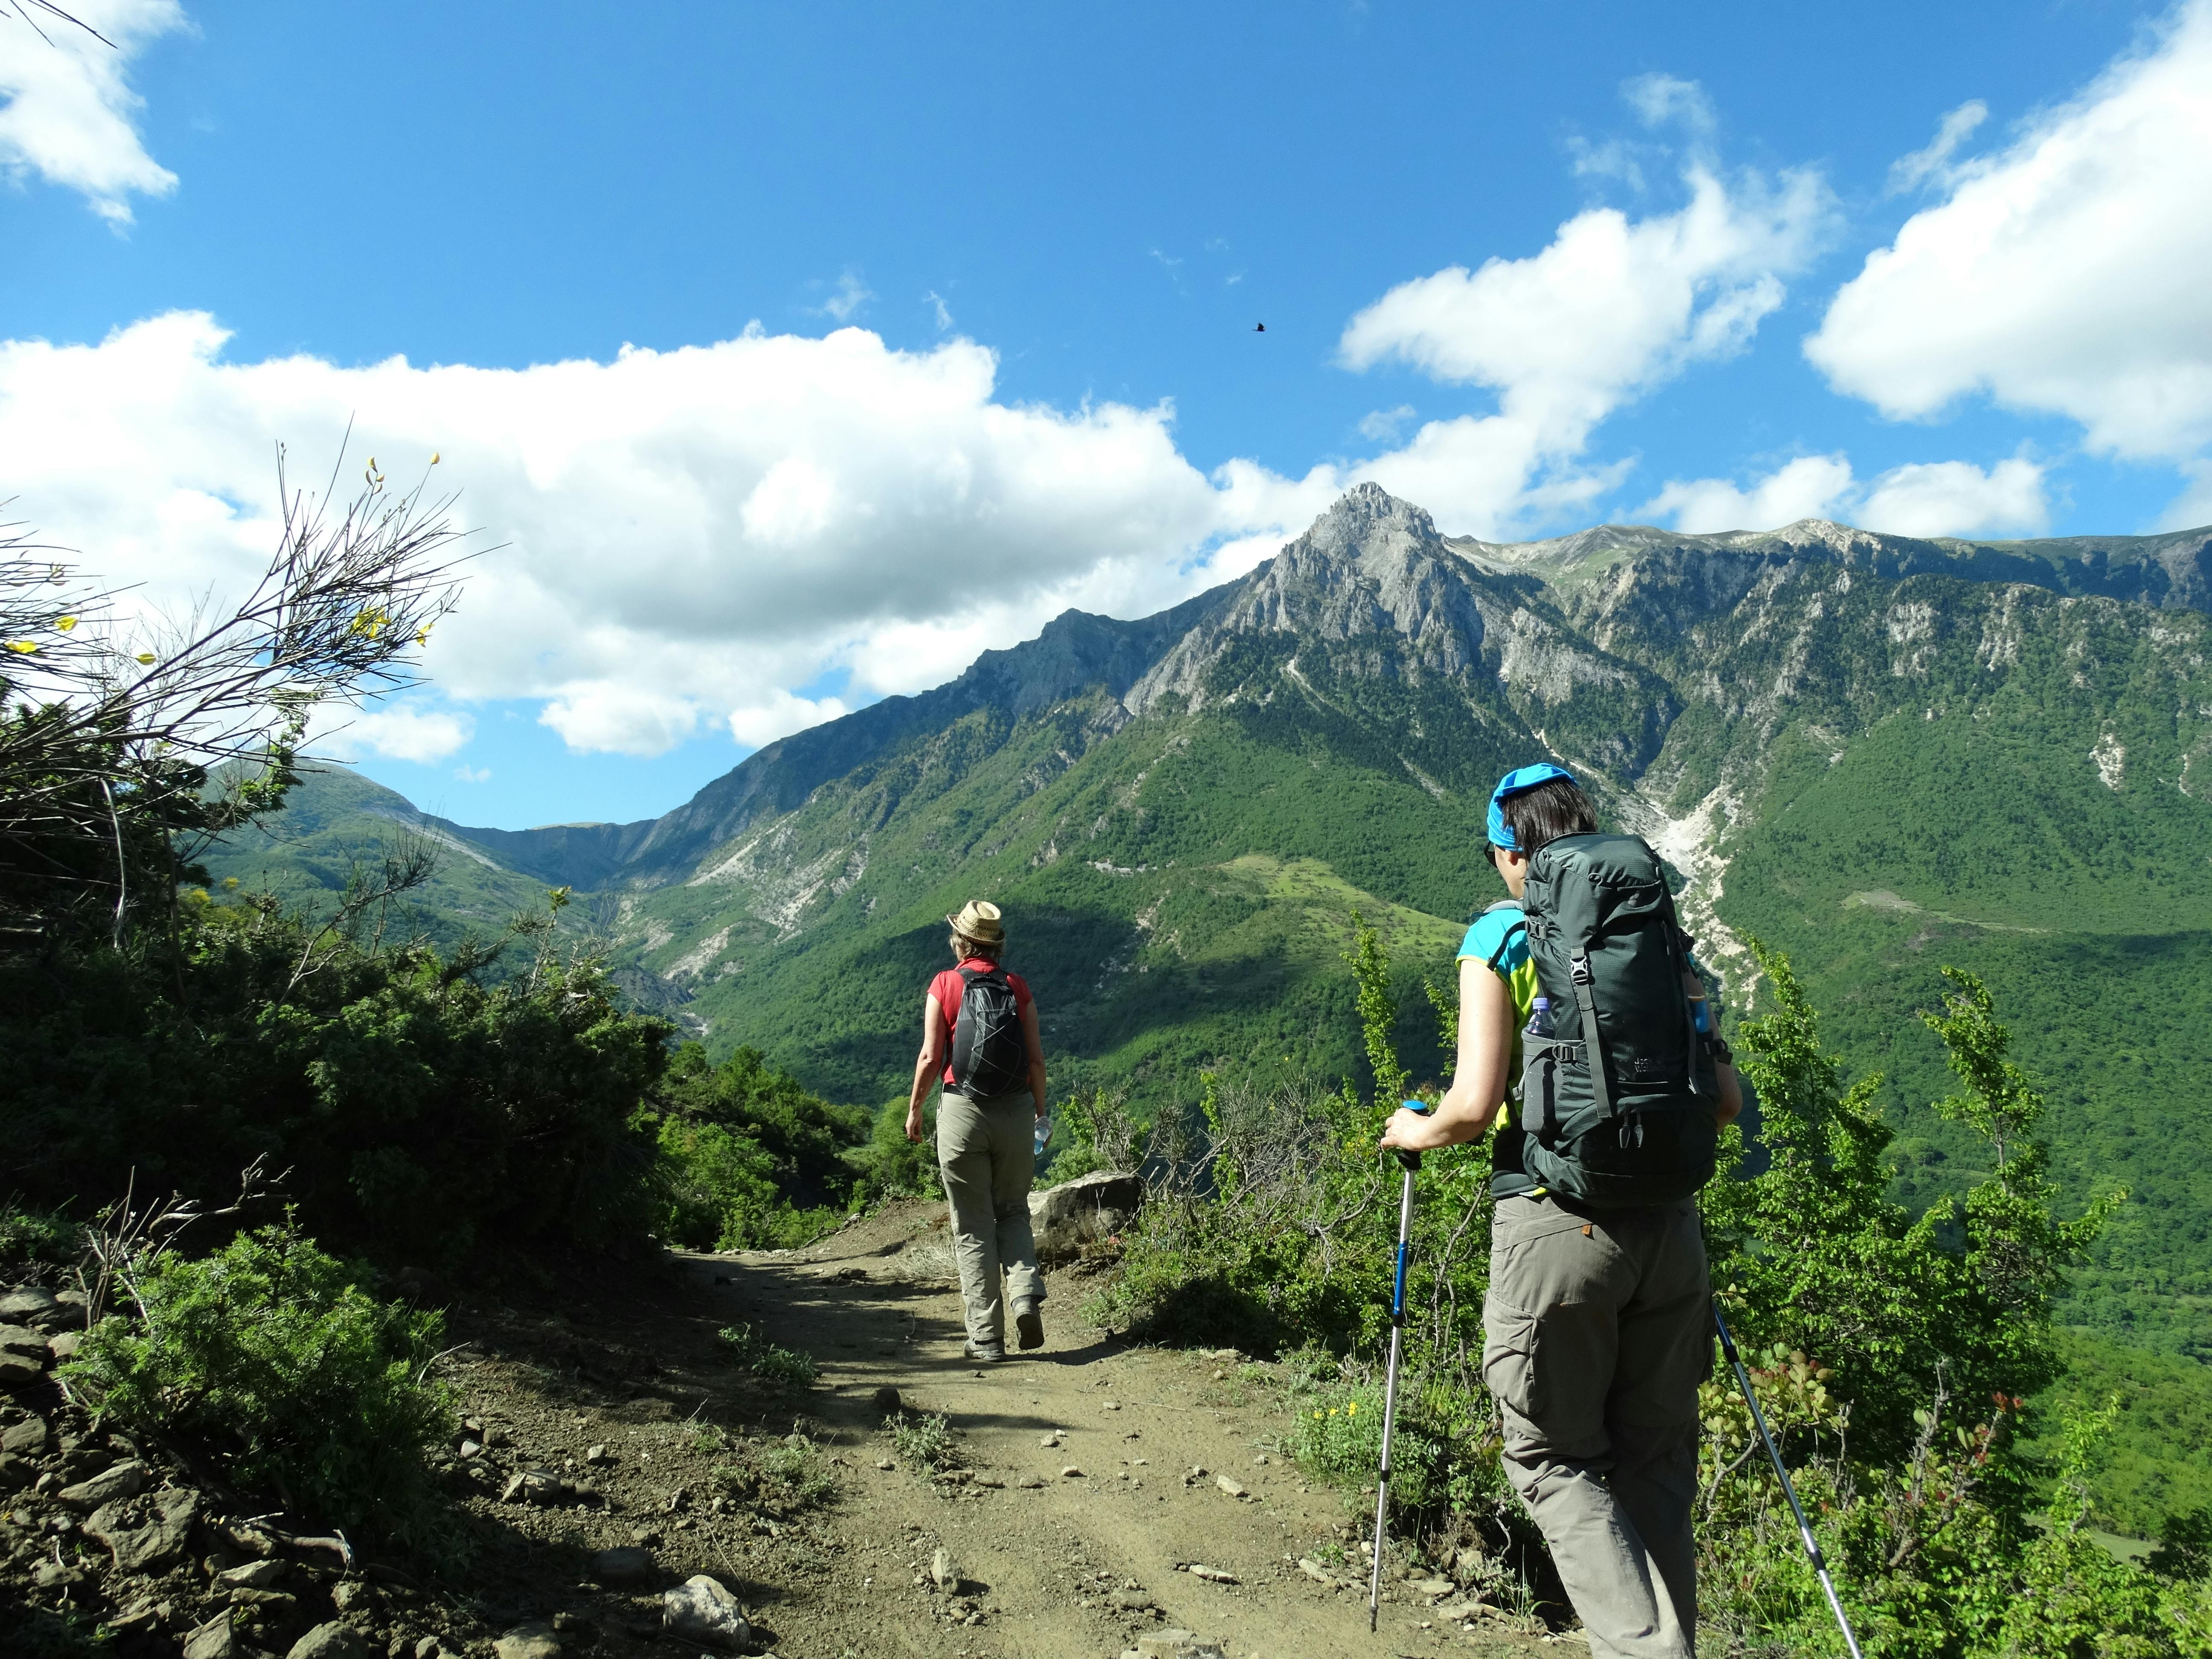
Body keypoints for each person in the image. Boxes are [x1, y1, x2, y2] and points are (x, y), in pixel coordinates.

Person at [1382, 765, 1742, 1659]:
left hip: (1559, 1224)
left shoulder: (1501, 937)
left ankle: (1647, 1655)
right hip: (1672, 1230)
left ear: (1510, 851)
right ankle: (1667, 1645)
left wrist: (1411, 1131)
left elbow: (1470, 1111)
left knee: (1552, 1459)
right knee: (1657, 1463)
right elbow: (1726, 1101)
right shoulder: (1667, 942)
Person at [905, 899, 1050, 1363]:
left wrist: (915, 1110)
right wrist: (1039, 1113)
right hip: (1015, 1114)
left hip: (963, 1113)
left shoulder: (945, 984)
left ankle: (986, 1338)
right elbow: (1035, 1060)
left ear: (961, 941)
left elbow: (931, 1058)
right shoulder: (1017, 986)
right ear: (997, 943)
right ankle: (1025, 1295)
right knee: (1012, 1211)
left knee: (972, 1227)